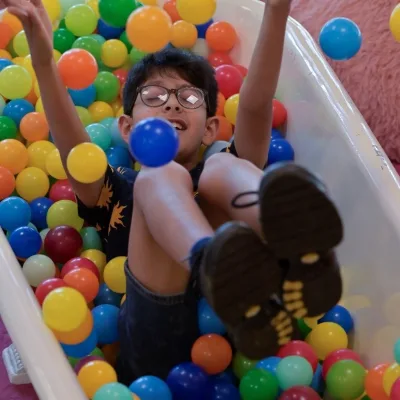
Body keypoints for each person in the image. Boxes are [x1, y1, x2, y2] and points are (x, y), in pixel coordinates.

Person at [1, 0, 343, 384]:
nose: (172, 103)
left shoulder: (219, 168)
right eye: (154, 97)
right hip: (153, 349)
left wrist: (277, 10)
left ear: (211, 127)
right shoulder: (114, 187)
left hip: (247, 331)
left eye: (189, 98)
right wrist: (45, 61)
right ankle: (211, 263)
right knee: (158, 177)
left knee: (221, 166)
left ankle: (290, 237)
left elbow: (255, 105)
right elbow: (72, 147)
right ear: (127, 129)